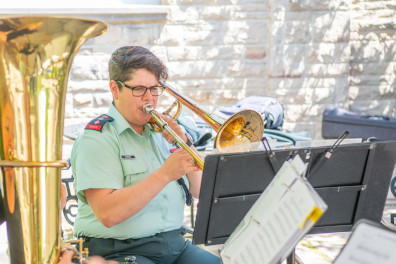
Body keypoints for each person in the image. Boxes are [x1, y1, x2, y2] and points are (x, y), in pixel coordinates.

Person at [70, 46, 220, 264]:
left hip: (175, 246)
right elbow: (108, 214)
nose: (149, 98)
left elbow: (201, 190)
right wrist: (165, 175)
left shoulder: (162, 132)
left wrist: (185, 143)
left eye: (154, 89)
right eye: (139, 89)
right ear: (115, 89)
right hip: (119, 251)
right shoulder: (97, 139)